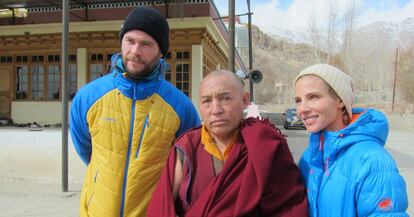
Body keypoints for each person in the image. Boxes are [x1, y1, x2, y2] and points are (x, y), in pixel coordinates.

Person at [69, 6, 200, 217]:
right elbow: (87, 149)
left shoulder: (181, 107)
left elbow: (188, 164)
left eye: (146, 44)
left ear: (161, 51)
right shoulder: (88, 97)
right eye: (130, 41)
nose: (135, 51)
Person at [147, 69, 308, 217]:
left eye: (225, 98)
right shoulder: (187, 147)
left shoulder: (265, 144)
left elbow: (289, 208)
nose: (215, 110)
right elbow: (162, 208)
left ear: (244, 100)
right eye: (206, 101)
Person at [294, 64, 409, 217]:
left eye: (313, 97)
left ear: (340, 100)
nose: (302, 109)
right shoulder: (309, 158)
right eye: (298, 100)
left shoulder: (372, 160)